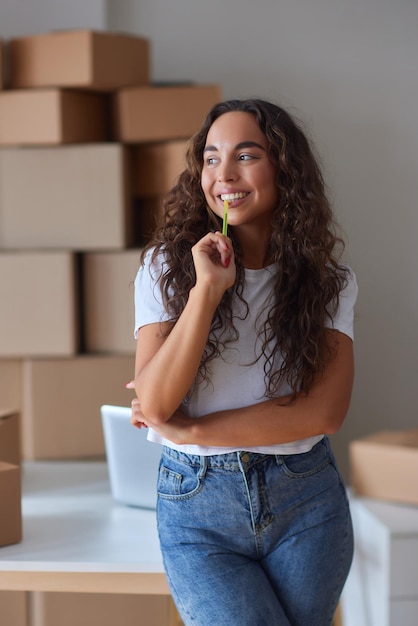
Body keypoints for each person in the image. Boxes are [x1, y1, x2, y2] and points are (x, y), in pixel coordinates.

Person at [127, 98, 358, 626]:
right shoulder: (167, 268)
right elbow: (157, 401)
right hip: (197, 506)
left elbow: (322, 413)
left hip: (307, 502)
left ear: (284, 168)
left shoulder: (330, 281)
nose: (223, 175)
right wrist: (207, 291)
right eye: (210, 159)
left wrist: (189, 430)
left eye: (246, 156)